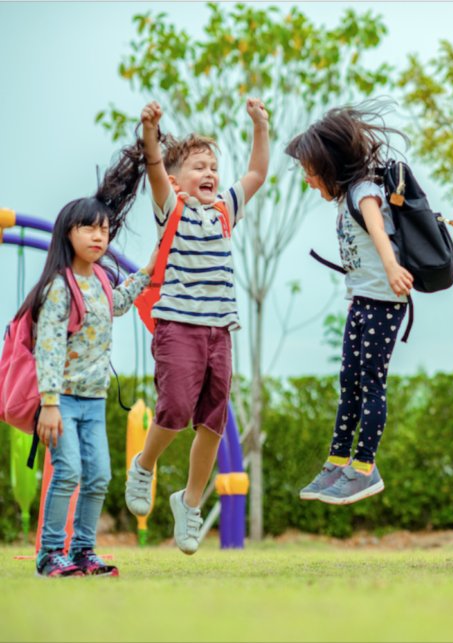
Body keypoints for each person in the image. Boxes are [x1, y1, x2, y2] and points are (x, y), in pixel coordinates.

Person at [124, 98, 269, 555]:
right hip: (179, 327)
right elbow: (152, 164)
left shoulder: (225, 209)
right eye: (198, 166)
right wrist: (150, 132)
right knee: (174, 409)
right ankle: (143, 464)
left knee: (212, 421)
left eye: (213, 166)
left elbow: (258, 173)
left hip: (220, 331)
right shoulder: (173, 206)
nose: (209, 173)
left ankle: (187, 503)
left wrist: (260, 127)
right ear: (176, 178)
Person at [21, 140, 157, 578]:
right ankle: (50, 554)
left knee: (98, 475)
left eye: (103, 230)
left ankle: (83, 552)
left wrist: (148, 272)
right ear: (68, 234)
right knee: (68, 473)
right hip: (63, 401)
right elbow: (48, 347)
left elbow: (116, 305)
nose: (99, 236)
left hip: (94, 401)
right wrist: (49, 403)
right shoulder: (59, 286)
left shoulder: (98, 278)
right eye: (88, 229)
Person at [285, 102, 412, 505]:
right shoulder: (345, 197)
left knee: (371, 384)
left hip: (383, 301)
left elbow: (376, 225)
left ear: (331, 165)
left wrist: (392, 267)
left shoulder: (363, 191)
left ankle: (364, 468)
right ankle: (338, 462)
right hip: (362, 300)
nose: (307, 180)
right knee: (350, 385)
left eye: (310, 171)